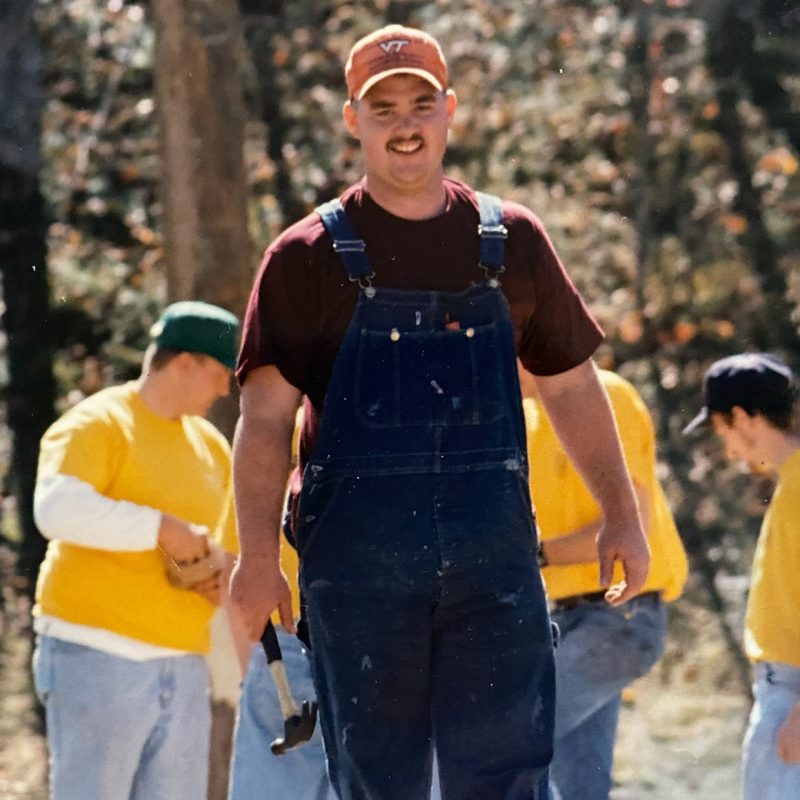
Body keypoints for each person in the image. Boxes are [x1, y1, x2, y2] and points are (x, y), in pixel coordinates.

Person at [230, 23, 650, 800]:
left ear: (450, 111)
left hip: (492, 563)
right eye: (382, 107)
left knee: (506, 780)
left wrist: (622, 515)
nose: (405, 124)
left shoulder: (511, 241)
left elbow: (569, 386)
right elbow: (263, 421)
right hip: (358, 573)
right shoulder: (304, 257)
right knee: (378, 784)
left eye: (421, 103)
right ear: (352, 120)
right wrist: (256, 558)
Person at [31, 300, 240, 800]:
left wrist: (219, 574)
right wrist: (161, 528)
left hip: (186, 665)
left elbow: (227, 546)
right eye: (220, 372)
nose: (224, 388)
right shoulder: (100, 422)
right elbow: (55, 509)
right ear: (185, 362)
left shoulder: (211, 446)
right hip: (97, 655)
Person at [519, 364, 688, 800]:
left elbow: (633, 528)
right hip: (564, 622)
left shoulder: (604, 396)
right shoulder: (527, 416)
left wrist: (532, 555)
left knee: (507, 739)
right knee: (577, 786)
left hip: (618, 617)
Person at [684, 352, 800, 800]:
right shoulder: (788, 482)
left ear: (741, 417)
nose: (726, 447)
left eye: (720, 428)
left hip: (790, 687)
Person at [228, 407, 335, 800]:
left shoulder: (269, 433)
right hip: (289, 644)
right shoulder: (270, 437)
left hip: (349, 637)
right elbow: (235, 563)